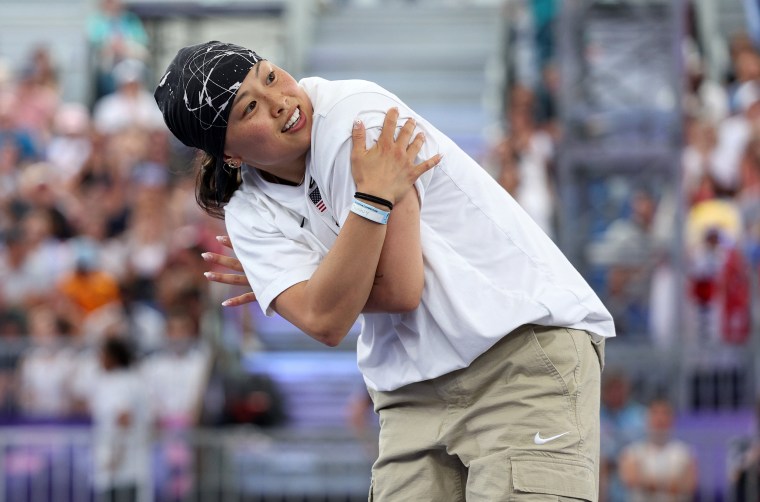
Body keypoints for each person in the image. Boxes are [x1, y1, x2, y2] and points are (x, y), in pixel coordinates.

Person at [155, 40, 615, 501]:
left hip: (517, 353)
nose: (280, 103)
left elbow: (396, 289)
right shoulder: (244, 209)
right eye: (250, 108)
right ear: (229, 154)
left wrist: (308, 282)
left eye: (270, 76)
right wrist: (363, 213)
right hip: (409, 391)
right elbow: (325, 321)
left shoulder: (359, 121)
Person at [618, 398, 698, 502]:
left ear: (672, 419)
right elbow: (630, 479)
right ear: (647, 418)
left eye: (665, 414)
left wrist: (648, 483)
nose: (660, 419)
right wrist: (670, 485)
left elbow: (690, 485)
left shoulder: (685, 452)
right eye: (655, 413)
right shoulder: (631, 451)